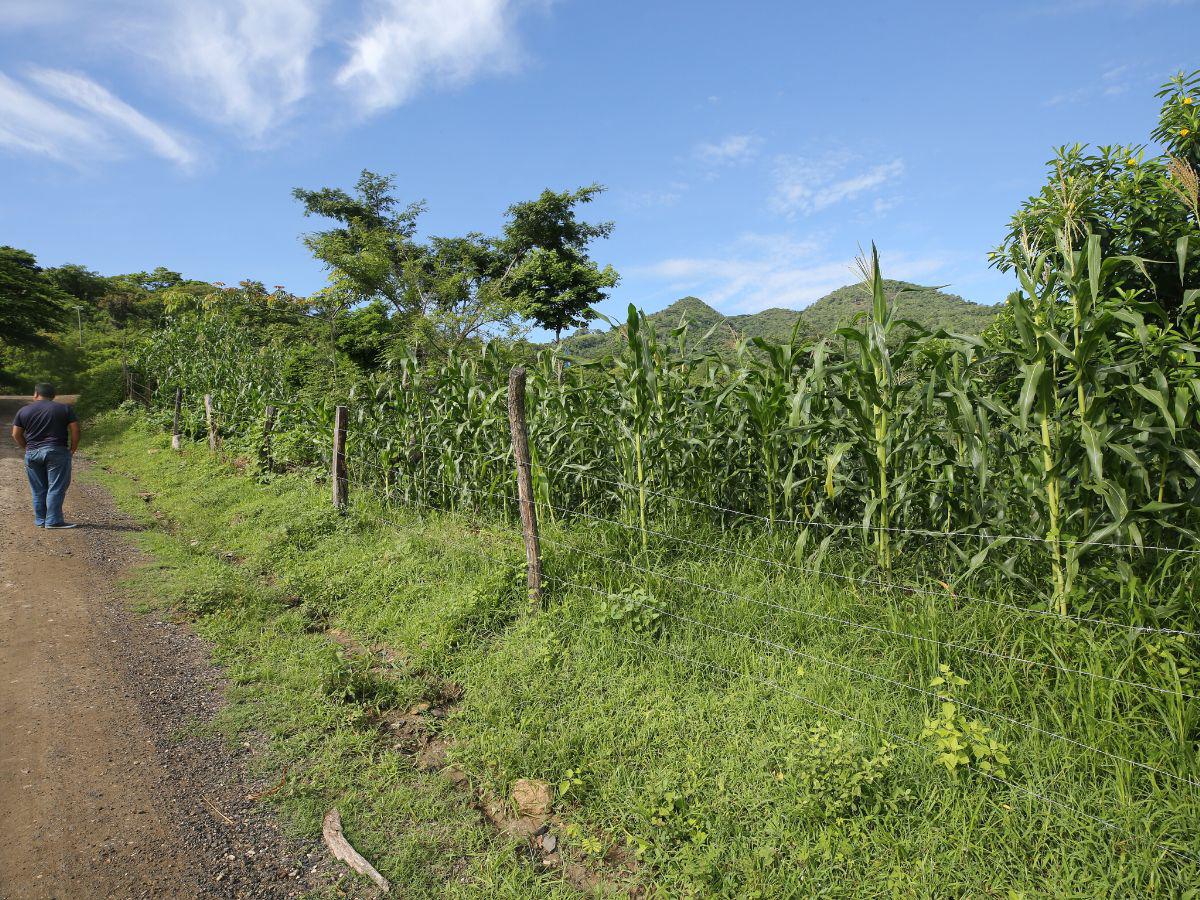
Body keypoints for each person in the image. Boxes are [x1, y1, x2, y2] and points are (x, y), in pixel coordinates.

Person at [11, 382, 81, 529]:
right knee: (56, 487)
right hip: (56, 451)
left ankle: (41, 520)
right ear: (53, 396)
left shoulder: (24, 411)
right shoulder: (64, 408)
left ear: (36, 394)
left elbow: (15, 434)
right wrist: (72, 449)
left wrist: (27, 447)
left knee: (38, 489)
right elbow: (75, 430)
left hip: (32, 453)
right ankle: (53, 521)